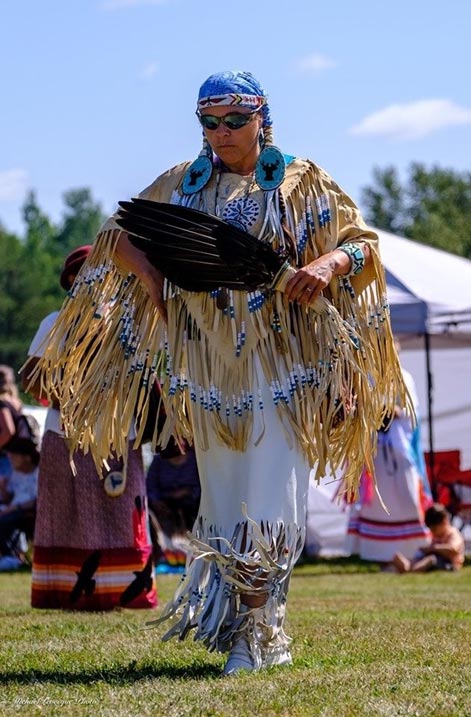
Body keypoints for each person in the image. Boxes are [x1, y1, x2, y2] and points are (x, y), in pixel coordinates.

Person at [30, 70, 406, 673]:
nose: (222, 133)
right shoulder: (181, 185)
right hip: (209, 377)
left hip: (283, 368)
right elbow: (114, 234)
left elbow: (363, 245)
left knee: (270, 498)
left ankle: (254, 636)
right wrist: (152, 278)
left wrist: (328, 266)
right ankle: (256, 627)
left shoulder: (302, 184)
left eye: (235, 120)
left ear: (263, 119)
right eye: (210, 122)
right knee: (228, 503)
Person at [21, 246, 157, 610]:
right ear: (71, 282)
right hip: (66, 434)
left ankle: (126, 593)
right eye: (83, 277)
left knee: (121, 510)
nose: (94, 284)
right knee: (66, 513)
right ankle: (67, 591)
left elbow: (147, 375)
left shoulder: (130, 323)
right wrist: (76, 389)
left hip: (118, 434)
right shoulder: (55, 323)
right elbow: (33, 379)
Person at [347, 353, 433, 564]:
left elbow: (411, 411)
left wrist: (390, 411)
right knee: (375, 499)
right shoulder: (367, 376)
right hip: (375, 448)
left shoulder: (403, 377)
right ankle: (376, 553)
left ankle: (412, 549)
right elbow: (359, 405)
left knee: (408, 496)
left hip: (398, 448)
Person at [147, 439, 201, 572]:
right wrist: (156, 501)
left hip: (191, 505)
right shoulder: (159, 461)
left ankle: (192, 553)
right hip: (165, 505)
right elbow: (151, 485)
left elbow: (202, 485)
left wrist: (188, 493)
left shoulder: (195, 459)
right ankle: (164, 554)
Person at [0, 435, 39, 571]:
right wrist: (3, 488)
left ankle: (12, 557)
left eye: (14, 456)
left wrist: (12, 508)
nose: (10, 458)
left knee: (3, 520)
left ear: (27, 457)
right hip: (12, 509)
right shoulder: (16, 474)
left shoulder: (39, 473)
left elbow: (37, 501)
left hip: (26, 512)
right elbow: (7, 498)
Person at [392, 503, 465, 573]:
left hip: (449, 564)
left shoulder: (453, 533)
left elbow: (453, 549)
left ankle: (410, 571)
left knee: (431, 560)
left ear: (444, 522)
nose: (433, 532)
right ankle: (407, 566)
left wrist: (433, 548)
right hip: (435, 560)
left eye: (434, 529)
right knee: (420, 558)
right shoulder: (437, 536)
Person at [0, 365, 24, 479]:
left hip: (5, 458)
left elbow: (8, 431)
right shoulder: (15, 401)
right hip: (18, 457)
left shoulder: (2, 403)